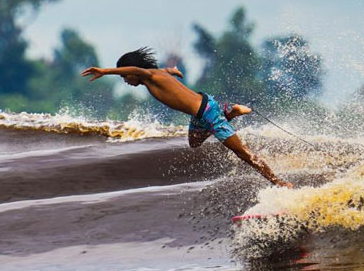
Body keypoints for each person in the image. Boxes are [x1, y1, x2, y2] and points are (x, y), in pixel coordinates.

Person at [82, 47, 293, 188]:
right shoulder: (157, 75)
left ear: (134, 72)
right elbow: (162, 70)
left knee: (243, 153)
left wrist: (105, 70)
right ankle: (230, 112)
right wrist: (172, 70)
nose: (124, 80)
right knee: (194, 142)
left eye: (123, 76)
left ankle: (279, 182)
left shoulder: (149, 75)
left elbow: (138, 69)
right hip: (201, 111)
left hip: (207, 113)